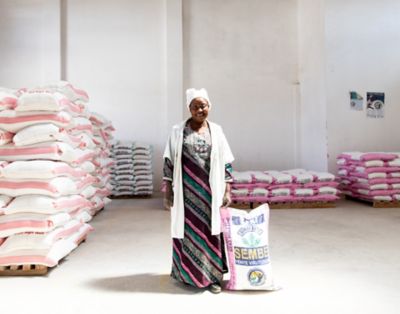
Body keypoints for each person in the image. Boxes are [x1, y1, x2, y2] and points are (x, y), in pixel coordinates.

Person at [163, 88, 234, 294]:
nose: (199, 109)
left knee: (209, 232)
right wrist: (168, 191)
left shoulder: (217, 131)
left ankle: (211, 278)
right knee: (187, 232)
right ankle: (187, 274)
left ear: (209, 106)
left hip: (210, 192)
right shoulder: (178, 130)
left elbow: (227, 162)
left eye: (203, 105)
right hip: (185, 192)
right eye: (195, 106)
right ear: (189, 109)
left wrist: (227, 190)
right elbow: (168, 161)